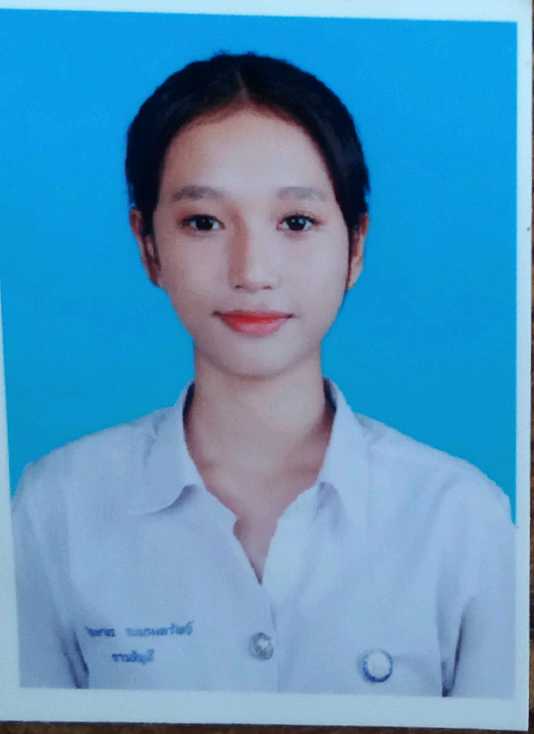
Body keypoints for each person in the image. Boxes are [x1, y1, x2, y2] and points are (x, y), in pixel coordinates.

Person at [12, 52, 515, 696]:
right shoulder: (55, 509)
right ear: (148, 246)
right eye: (203, 222)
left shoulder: (461, 519)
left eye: (296, 222)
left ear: (356, 245)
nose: (252, 271)